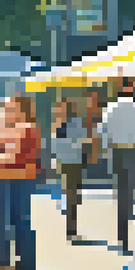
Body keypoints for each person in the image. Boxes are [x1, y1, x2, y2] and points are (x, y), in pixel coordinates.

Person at [0, 95, 39, 270]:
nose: (6, 113)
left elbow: (15, 157)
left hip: (20, 178)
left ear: (22, 111)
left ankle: (26, 262)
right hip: (3, 178)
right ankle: (2, 259)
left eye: (10, 109)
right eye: (5, 109)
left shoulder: (27, 129)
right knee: (2, 219)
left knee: (20, 218)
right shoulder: (4, 131)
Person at [98, 82, 135, 252]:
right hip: (133, 152)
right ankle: (125, 232)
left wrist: (106, 152)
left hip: (117, 151)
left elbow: (103, 131)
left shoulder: (111, 108)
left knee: (120, 192)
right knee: (129, 193)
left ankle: (122, 236)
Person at [51, 97, 90, 243]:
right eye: (58, 108)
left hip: (73, 162)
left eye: (61, 108)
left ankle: (71, 229)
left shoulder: (76, 124)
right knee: (68, 194)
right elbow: (54, 145)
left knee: (72, 195)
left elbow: (79, 142)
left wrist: (65, 145)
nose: (59, 111)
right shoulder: (56, 124)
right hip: (63, 162)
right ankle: (70, 228)